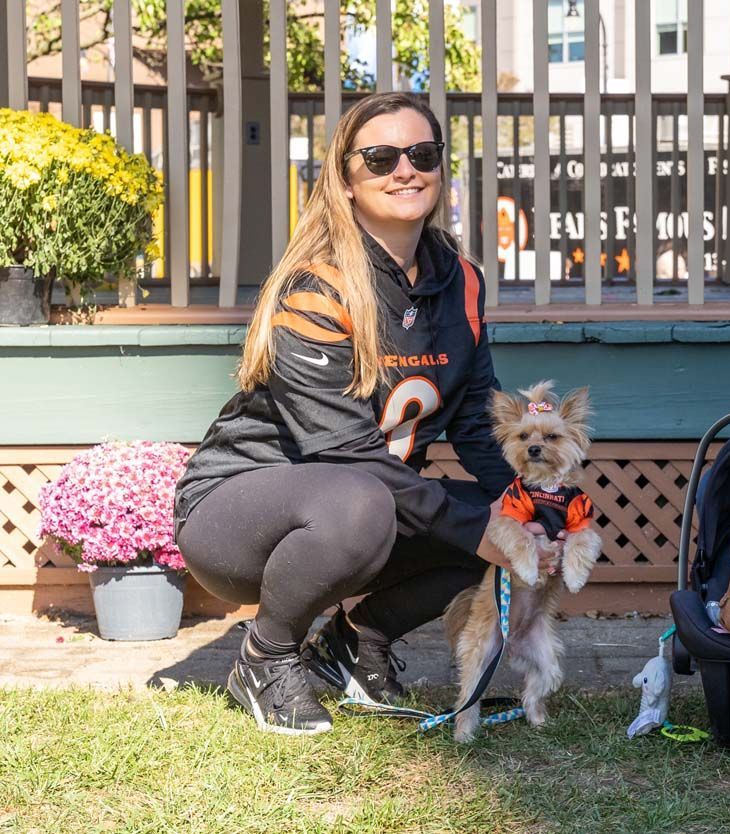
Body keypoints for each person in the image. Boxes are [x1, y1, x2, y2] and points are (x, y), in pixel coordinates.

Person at [174, 92, 556, 735]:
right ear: (347, 179)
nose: (405, 170)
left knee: (501, 519)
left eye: (422, 154)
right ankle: (266, 656)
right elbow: (346, 452)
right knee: (376, 503)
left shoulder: (460, 280)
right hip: (234, 512)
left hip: (366, 499)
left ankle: (357, 642)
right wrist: (478, 527)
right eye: (381, 158)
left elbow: (473, 420)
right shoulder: (317, 285)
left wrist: (530, 508)